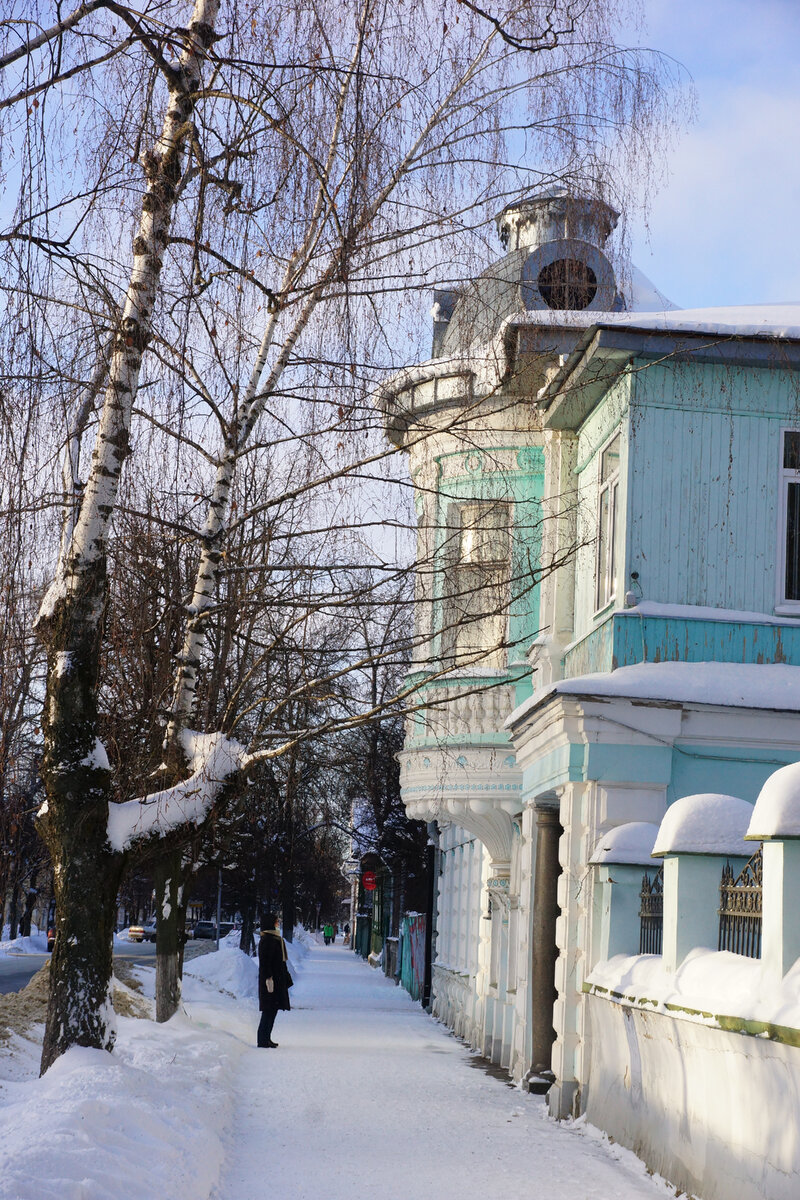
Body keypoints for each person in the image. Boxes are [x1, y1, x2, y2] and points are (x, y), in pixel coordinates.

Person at [257, 912, 293, 1048]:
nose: (278, 924)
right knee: (269, 1010)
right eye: (276, 921)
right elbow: (266, 962)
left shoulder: (274, 938)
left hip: (276, 979)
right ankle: (262, 1039)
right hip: (271, 981)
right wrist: (269, 977)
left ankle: (266, 1038)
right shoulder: (268, 940)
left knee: (272, 1010)